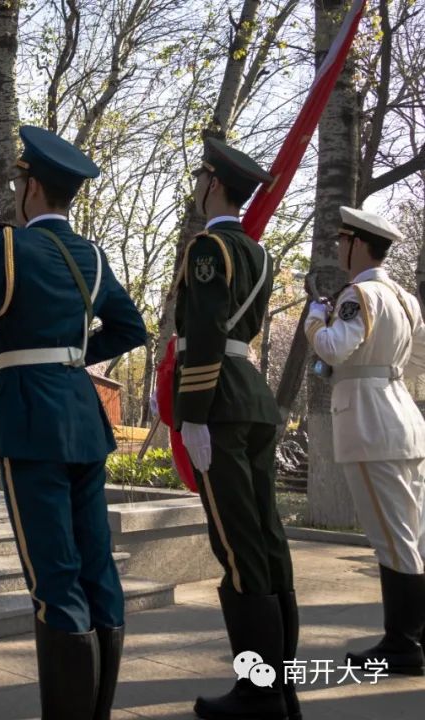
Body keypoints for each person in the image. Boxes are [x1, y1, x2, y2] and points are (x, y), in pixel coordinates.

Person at [0, 126, 146, 720]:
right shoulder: (94, 257)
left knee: (53, 574)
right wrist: (72, 351)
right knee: (96, 567)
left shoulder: (11, 249)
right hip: (81, 413)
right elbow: (131, 329)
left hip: (31, 414)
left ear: (32, 187)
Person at [173, 137, 298, 720]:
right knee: (268, 541)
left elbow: (204, 330)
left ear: (214, 183)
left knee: (238, 547)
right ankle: (281, 684)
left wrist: (191, 415)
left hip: (218, 401)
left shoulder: (209, 248)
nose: (196, 185)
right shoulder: (260, 252)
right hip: (251, 394)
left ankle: (258, 693)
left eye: (200, 177)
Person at [304, 206, 425, 676]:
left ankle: (402, 644)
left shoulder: (360, 294)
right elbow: (419, 362)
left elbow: (333, 347)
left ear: (357, 243)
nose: (338, 247)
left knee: (391, 540)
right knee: (412, 534)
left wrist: (317, 318)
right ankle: (415, 635)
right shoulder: (405, 297)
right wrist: (382, 366)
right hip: (403, 419)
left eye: (341, 240)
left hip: (371, 427)